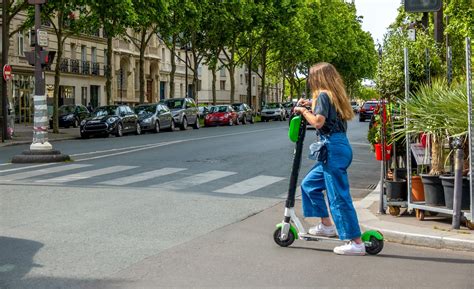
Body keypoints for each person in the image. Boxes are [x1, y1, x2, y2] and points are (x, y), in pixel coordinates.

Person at [293, 62, 365, 256]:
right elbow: (326, 114)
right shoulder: (333, 96)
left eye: (311, 76)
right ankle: (327, 225)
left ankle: (356, 242)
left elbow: (318, 122)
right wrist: (311, 105)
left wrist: (303, 111)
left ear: (319, 78)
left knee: (338, 196)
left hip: (332, 148)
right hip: (338, 147)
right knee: (309, 185)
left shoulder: (323, 95)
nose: (309, 80)